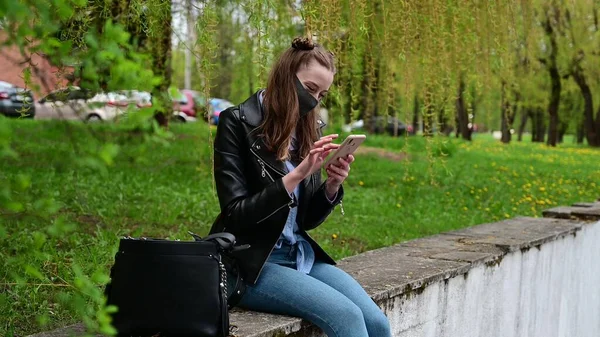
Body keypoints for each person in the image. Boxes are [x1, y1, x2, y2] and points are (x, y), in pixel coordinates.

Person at [209, 37, 392, 337]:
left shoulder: (309, 128)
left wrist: (332, 186)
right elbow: (235, 214)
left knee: (376, 322)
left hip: (300, 256)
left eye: (322, 94)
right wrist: (297, 175)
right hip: (253, 264)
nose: (314, 101)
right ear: (285, 77)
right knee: (346, 318)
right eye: (309, 89)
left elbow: (306, 220)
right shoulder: (237, 123)